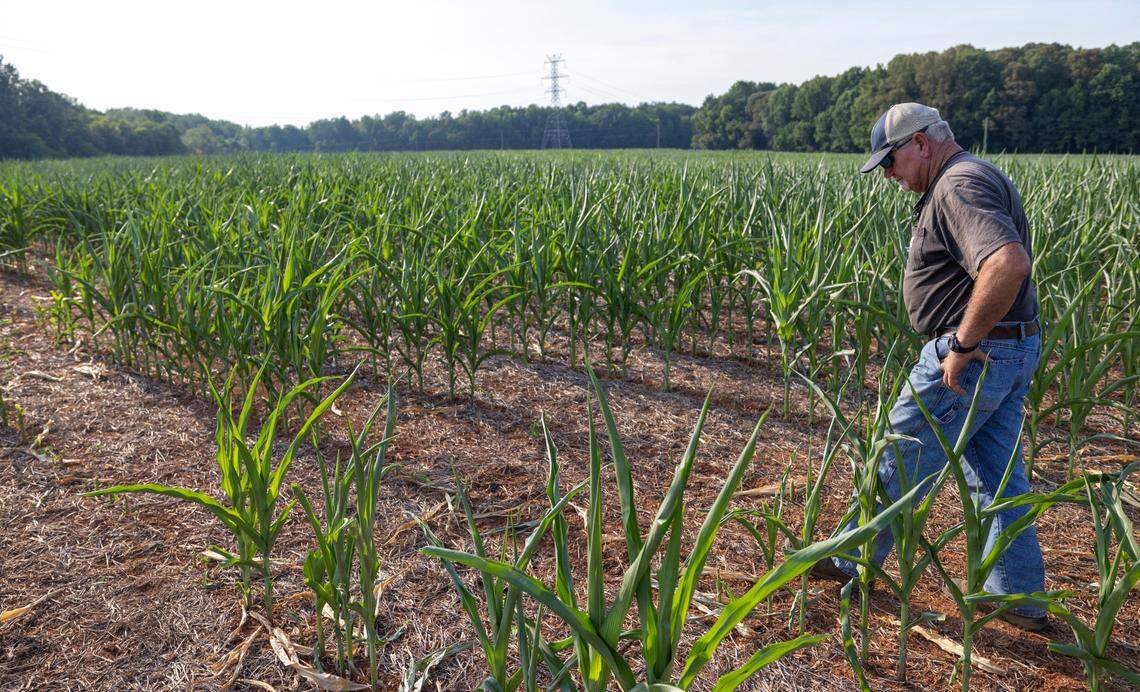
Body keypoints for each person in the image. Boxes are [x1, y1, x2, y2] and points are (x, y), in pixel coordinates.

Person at [809, 102, 1047, 632]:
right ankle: (1019, 597)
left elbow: (1007, 262)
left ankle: (851, 559)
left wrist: (961, 345)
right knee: (998, 475)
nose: (888, 175)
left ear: (919, 142)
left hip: (975, 356)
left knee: (899, 447)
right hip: (1009, 349)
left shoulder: (958, 184)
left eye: (890, 161)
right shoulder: (972, 176)